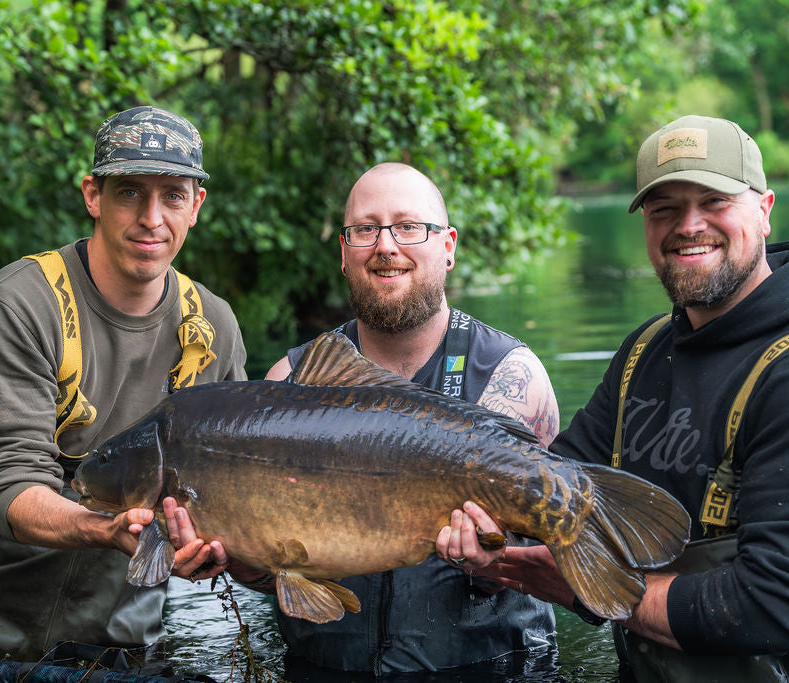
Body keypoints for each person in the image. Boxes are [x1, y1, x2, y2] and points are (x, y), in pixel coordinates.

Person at [436, 115, 789, 680]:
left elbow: (777, 608)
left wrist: (588, 587)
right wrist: (484, 536)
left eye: (714, 201)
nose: (688, 225)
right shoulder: (645, 351)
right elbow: (547, 482)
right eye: (664, 209)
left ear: (764, 209)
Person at [0, 105, 246, 679]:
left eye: (173, 196)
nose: (152, 218)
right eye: (130, 192)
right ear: (93, 195)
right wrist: (109, 530)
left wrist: (229, 549)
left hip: (115, 639)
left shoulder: (214, 327)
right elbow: (13, 485)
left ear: (196, 206)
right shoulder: (16, 306)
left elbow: (232, 487)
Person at [176, 161, 560, 676]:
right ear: (344, 252)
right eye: (365, 229)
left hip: (491, 668)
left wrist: (495, 561)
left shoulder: (509, 377)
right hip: (323, 670)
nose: (386, 245)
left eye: (408, 226)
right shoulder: (290, 381)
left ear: (447, 247)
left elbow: (549, 559)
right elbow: (275, 574)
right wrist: (235, 557)